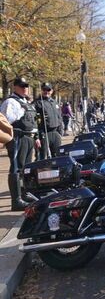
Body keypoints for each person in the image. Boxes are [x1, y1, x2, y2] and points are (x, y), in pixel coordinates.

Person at [0, 77, 40, 210]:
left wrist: (36, 138)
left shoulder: (26, 102)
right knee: (17, 167)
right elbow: (6, 120)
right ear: (15, 87)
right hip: (18, 138)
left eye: (26, 86)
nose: (25, 88)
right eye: (22, 86)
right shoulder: (10, 102)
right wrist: (21, 111)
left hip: (28, 138)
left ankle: (24, 193)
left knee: (26, 168)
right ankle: (16, 201)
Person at [34, 82, 63, 159]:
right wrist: (36, 136)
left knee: (57, 156)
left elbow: (59, 117)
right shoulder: (37, 103)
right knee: (42, 157)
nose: (46, 91)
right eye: (44, 89)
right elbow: (35, 121)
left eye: (48, 89)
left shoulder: (54, 103)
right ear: (41, 90)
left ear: (51, 91)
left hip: (55, 133)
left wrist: (60, 132)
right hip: (44, 133)